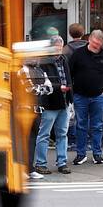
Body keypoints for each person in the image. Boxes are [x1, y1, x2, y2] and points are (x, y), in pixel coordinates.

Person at [68, 29, 103, 165]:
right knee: (81, 125)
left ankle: (97, 154)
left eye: (99, 44)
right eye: (94, 42)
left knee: (98, 126)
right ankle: (81, 154)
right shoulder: (78, 54)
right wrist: (73, 91)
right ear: (89, 40)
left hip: (98, 96)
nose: (96, 45)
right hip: (80, 95)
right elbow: (69, 73)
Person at [33, 37, 73, 176]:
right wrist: (58, 88)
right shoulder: (44, 62)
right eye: (56, 47)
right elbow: (41, 81)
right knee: (44, 134)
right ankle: (40, 163)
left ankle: (62, 162)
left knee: (62, 134)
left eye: (60, 47)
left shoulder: (64, 60)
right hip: (49, 102)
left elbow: (68, 78)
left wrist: (70, 98)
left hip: (63, 102)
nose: (58, 50)